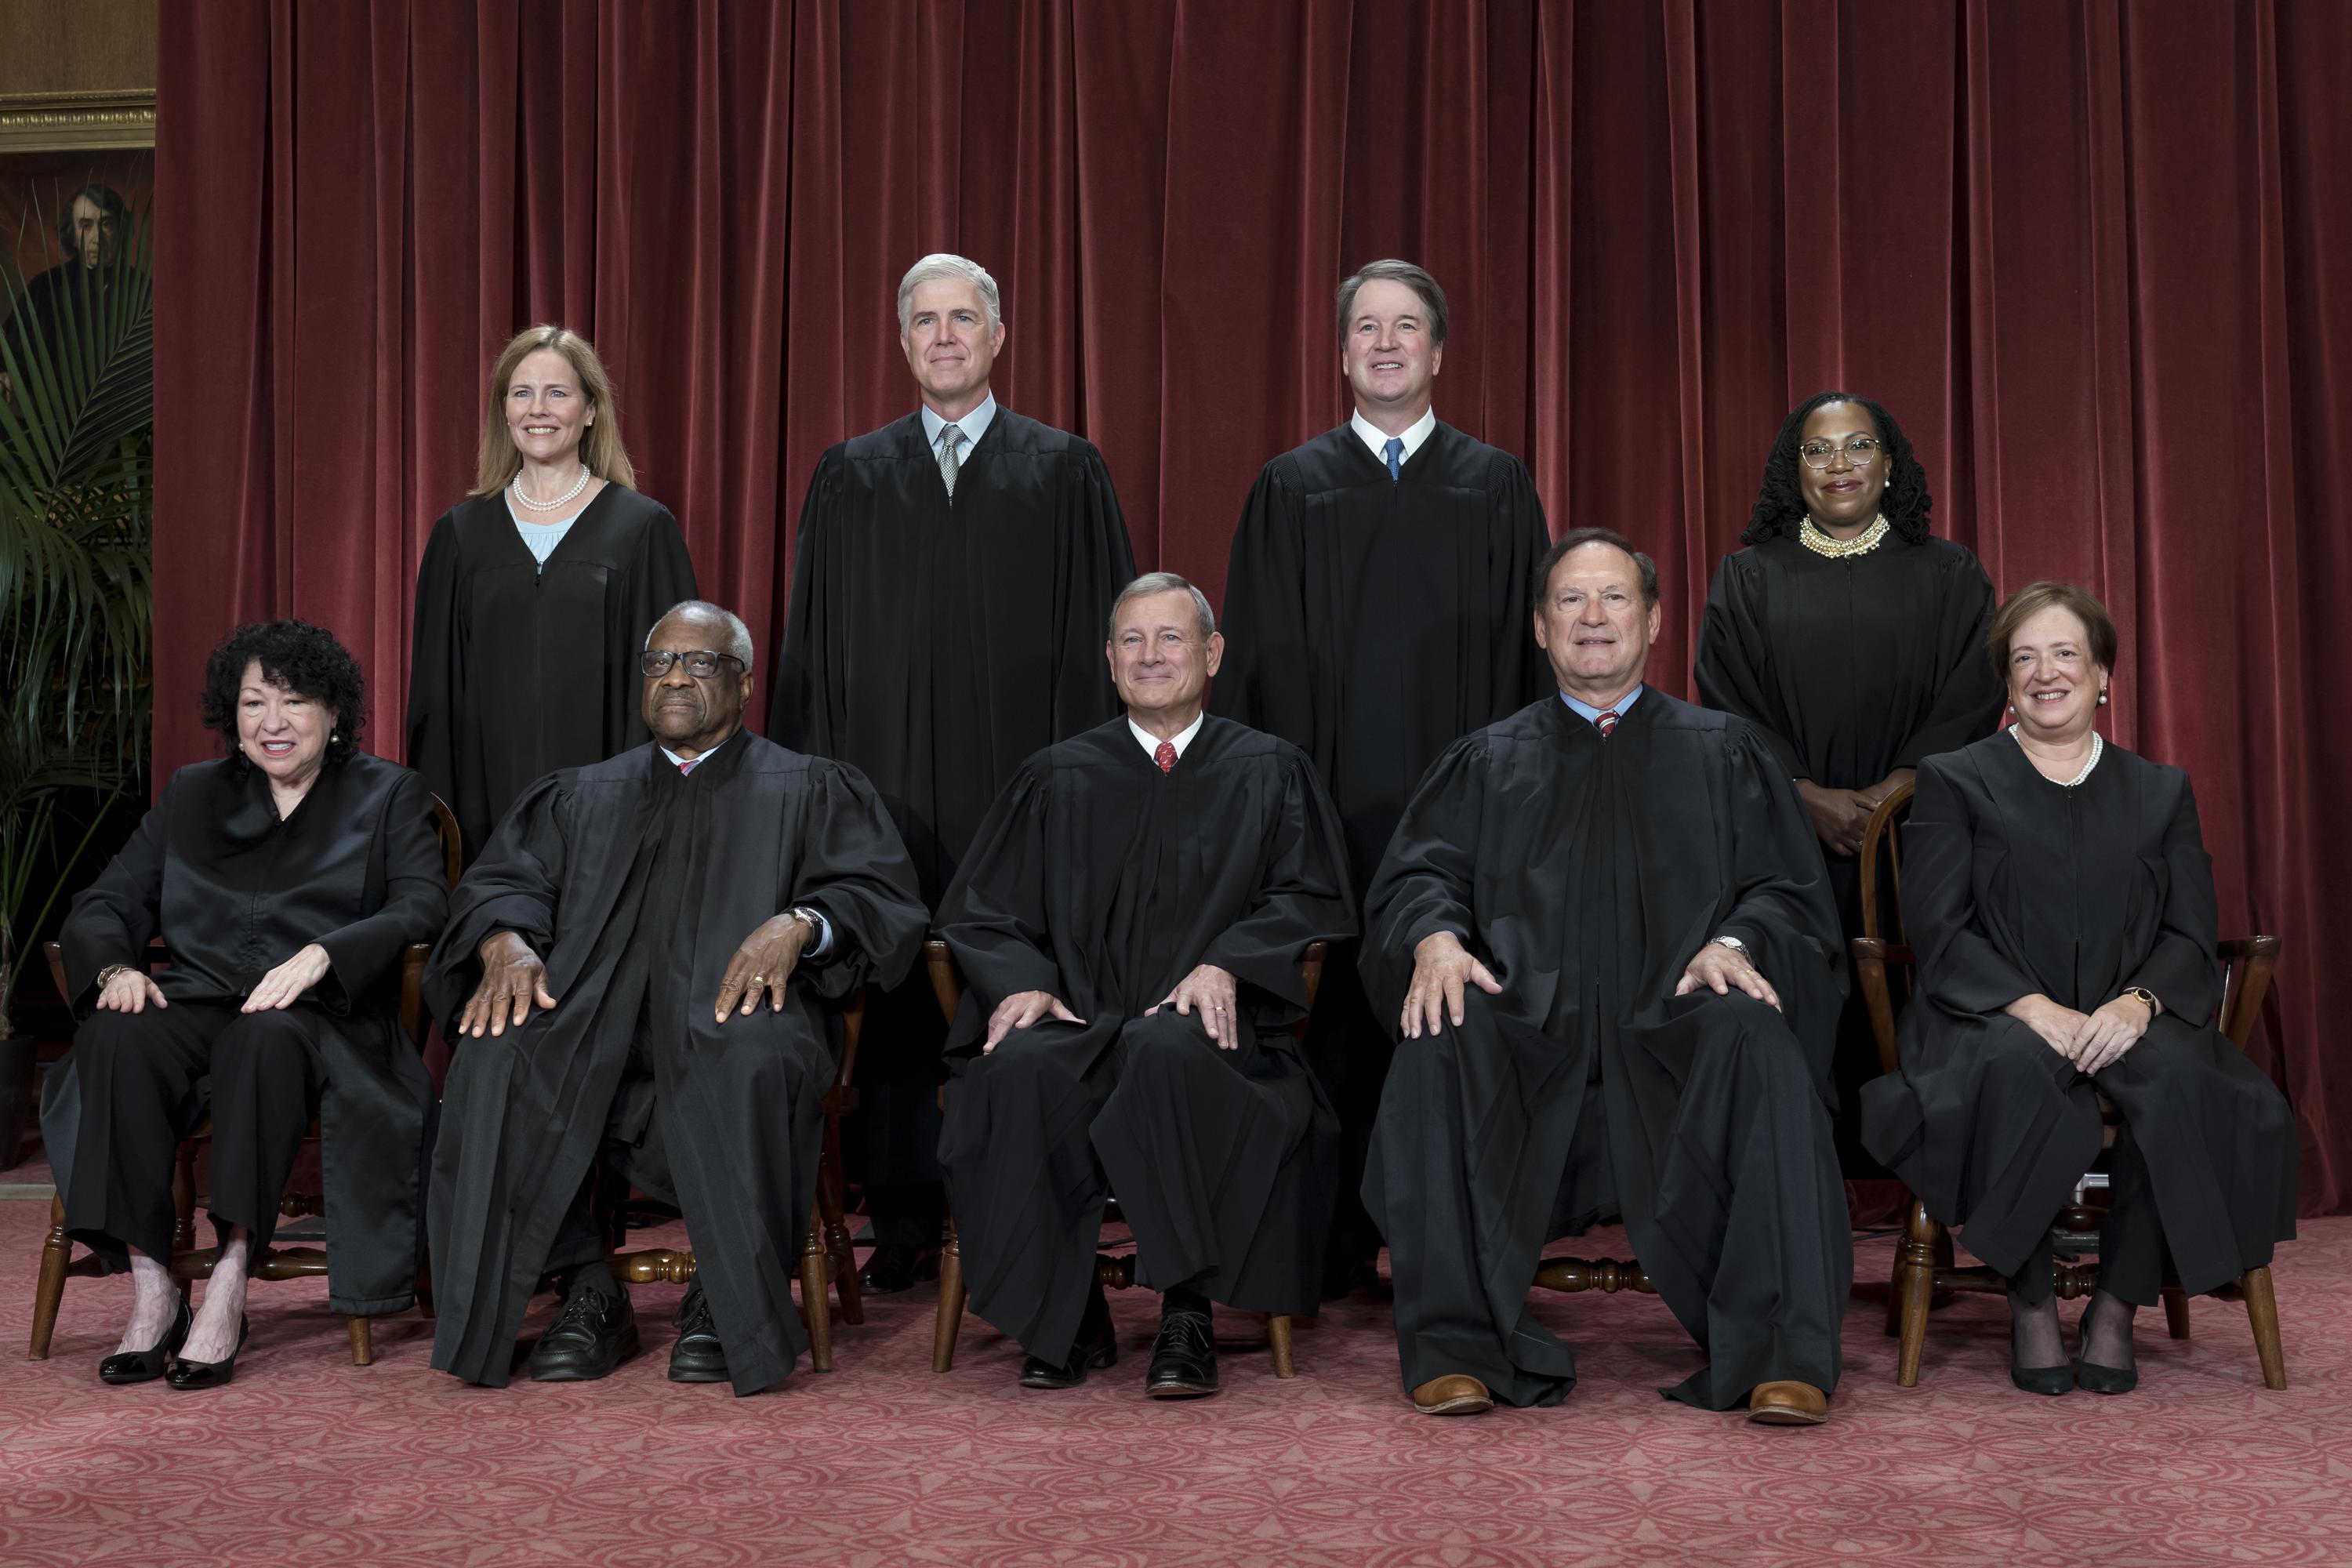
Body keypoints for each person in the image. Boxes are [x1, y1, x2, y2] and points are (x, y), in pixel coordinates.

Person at [1364, 528, 1850, 1425]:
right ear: (1542, 629)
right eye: (1572, 602)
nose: (1594, 618)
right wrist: (1433, 936)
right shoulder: (1486, 759)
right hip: (1527, 1033)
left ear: (1654, 620)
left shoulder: (1725, 751)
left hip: (1677, 1028)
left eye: (1615, 598)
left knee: (1757, 1036)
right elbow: (1418, 876)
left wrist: (1736, 944)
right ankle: (1455, 1344)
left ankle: (1780, 1351)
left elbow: (1788, 891)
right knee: (1441, 1035)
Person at [426, 601, 927, 1396]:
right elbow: (502, 884)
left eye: (701, 662)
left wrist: (801, 924)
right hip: (592, 1017)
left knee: (752, 1059)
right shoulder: (580, 795)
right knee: (498, 1055)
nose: (675, 678)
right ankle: (587, 1286)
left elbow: (875, 895)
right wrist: (506, 942)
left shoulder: (808, 786)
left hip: (735, 1015)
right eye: (659, 662)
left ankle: (725, 1303)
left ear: (746, 681)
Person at [770, 253, 1136, 1294]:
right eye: (924, 320)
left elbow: (1108, 647)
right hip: (884, 792)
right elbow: (811, 655)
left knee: (1020, 982)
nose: (944, 336)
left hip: (1027, 792)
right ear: (901, 343)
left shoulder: (1065, 470)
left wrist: (1089, 795)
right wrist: (817, 800)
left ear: (998, 336)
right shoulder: (850, 474)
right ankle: (904, 1216)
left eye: (962, 318)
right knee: (889, 990)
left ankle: (1031, 1207)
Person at [1861, 582, 2296, 1395]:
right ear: (2007, 679)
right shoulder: (1958, 780)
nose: (2043, 672)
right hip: (1989, 1010)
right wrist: (2032, 1007)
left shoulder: (2160, 790)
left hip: (2129, 1010)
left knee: (2176, 1080)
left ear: (2103, 674)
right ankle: (2030, 1296)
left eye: (2064, 653)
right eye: (2023, 657)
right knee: (2019, 1069)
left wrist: (2138, 1004)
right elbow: (1940, 928)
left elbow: (2188, 933)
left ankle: (2118, 1302)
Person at [1211, 259, 1551, 1296]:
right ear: (1343, 351)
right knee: (1334, 1030)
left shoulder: (1495, 486)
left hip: (1459, 824)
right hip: (1329, 808)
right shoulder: (1289, 488)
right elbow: (1257, 671)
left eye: (1408, 328)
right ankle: (1327, 1244)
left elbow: (1528, 665)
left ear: (1440, 353)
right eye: (1369, 328)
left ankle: (1458, 1249)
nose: (1389, 344)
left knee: (1452, 1018)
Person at [936, 573, 1355, 1397]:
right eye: (1133, 639)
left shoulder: (1270, 770)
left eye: (1170, 638)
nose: (1151, 655)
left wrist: (1229, 959)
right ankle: (1066, 1314)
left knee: (1169, 1047)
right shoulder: (1058, 774)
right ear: (1109, 658)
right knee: (1017, 1067)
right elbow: (981, 910)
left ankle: (1186, 1311)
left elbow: (1313, 895)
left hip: (1215, 1035)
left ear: (1211, 653)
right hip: (1084, 1017)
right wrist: (1022, 981)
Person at [41, 620, 446, 1388]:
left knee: (264, 1040)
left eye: (294, 702)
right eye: (254, 702)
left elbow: (424, 904)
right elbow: (106, 900)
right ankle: (155, 1284)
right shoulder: (195, 792)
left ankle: (230, 1276)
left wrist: (329, 951)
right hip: (197, 999)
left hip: (322, 1015)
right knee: (117, 1036)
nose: (272, 721)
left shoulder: (386, 791)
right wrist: (116, 966)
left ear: (334, 712)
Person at [1696, 391, 2003, 1173]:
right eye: (1817, 449)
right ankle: (1794, 1179)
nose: (1838, 464)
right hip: (1784, 834)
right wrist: (1804, 793)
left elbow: (1973, 689)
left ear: (1889, 461)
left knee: (1920, 996)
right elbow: (1729, 700)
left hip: (1919, 836)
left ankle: (1927, 1173)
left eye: (1857, 445)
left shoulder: (1949, 572)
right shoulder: (1747, 577)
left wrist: (1904, 785)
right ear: (1791, 468)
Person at [408, 325, 696, 863]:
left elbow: (674, 689)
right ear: (505, 411)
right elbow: (435, 697)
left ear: (590, 410)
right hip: (484, 812)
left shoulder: (641, 529)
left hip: (616, 817)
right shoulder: (461, 535)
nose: (537, 409)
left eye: (557, 393)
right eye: (522, 393)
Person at [1, 182, 129, 407]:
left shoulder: (146, 291)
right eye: (86, 225)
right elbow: (6, 351)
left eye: (106, 224)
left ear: (120, 230)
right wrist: (6, 375)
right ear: (71, 235)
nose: (96, 238)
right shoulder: (45, 287)